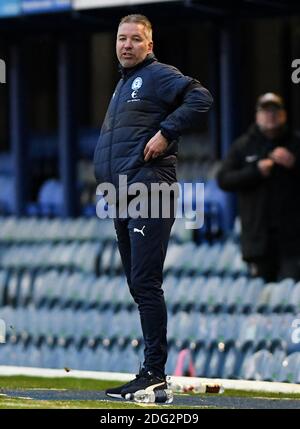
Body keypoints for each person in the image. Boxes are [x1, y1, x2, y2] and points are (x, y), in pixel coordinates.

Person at [93, 14, 213, 398]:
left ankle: (155, 372)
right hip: (121, 194)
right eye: (121, 39)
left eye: (135, 39)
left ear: (150, 45)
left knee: (146, 282)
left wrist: (166, 132)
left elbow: (201, 97)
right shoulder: (123, 84)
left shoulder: (157, 75)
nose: (126, 45)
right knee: (137, 283)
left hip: (149, 189)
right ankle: (150, 371)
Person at [217, 92, 300, 282]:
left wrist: (294, 163)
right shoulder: (243, 145)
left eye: (275, 111)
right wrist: (255, 171)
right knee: (261, 294)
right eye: (266, 111)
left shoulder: (296, 143)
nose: (270, 115)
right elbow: (224, 179)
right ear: (257, 116)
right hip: (258, 239)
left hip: (293, 239)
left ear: (284, 115)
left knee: (292, 291)